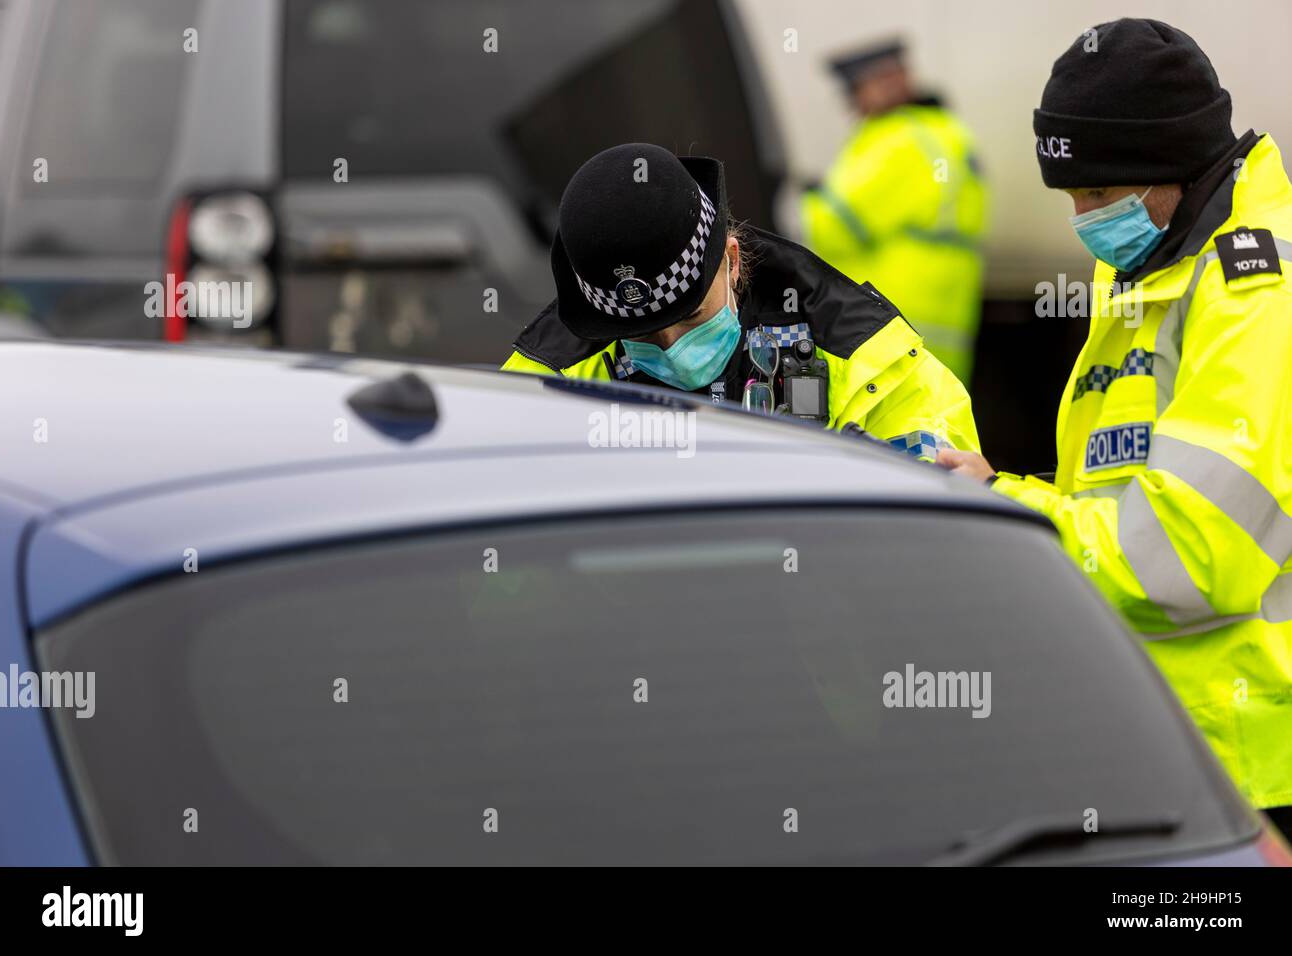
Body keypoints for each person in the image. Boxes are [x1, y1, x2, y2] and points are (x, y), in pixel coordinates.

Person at [937, 19, 1292, 829]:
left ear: (1171, 163)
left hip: (1251, 770)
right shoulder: (1154, 263)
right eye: (1072, 195)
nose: (1084, 217)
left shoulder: (1252, 293)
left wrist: (1009, 515)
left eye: (1099, 193)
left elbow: (1187, 559)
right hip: (1167, 743)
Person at [502, 142, 979, 458]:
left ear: (732, 260)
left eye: (690, 316)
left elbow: (937, 523)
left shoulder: (863, 360)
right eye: (639, 333)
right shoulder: (542, 386)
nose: (670, 348)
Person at [801, 40, 988, 384]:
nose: (854, 104)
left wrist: (805, 198)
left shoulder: (899, 137)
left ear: (891, 80)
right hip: (937, 327)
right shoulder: (944, 130)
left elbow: (835, 226)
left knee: (876, 433)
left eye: (858, 89)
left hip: (887, 325)